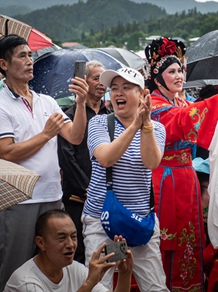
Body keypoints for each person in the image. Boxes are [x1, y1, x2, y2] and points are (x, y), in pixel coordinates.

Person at [144, 37, 218, 291]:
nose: (178, 75)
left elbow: (211, 117)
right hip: (164, 179)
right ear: (156, 78)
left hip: (186, 178)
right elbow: (182, 121)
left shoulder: (182, 103)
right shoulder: (154, 105)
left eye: (180, 70)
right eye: (171, 72)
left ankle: (189, 285)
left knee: (191, 237)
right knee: (168, 240)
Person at [0, 34, 88, 292]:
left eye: (30, 55)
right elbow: (5, 152)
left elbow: (75, 137)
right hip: (20, 198)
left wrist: (81, 102)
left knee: (55, 264)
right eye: (22, 55)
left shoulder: (46, 101)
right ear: (4, 64)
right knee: (14, 268)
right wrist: (45, 134)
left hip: (53, 194)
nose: (30, 60)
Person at [82, 67, 168, 291]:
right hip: (103, 221)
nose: (118, 93)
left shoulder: (156, 128)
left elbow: (151, 162)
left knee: (155, 287)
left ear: (142, 95)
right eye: (114, 88)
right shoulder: (99, 123)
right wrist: (134, 127)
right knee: (99, 286)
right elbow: (106, 158)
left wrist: (145, 124)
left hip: (140, 222)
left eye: (126, 88)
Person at [5, 210, 133, 292]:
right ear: (41, 243)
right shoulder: (26, 282)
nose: (70, 244)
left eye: (73, 236)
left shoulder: (75, 269)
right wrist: (89, 283)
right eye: (61, 238)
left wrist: (125, 274)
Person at [58, 60, 109, 264]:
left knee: (106, 249)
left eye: (104, 79)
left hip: (105, 196)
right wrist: (86, 188)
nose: (102, 83)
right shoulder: (70, 116)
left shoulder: (110, 117)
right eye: (96, 78)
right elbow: (66, 157)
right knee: (79, 250)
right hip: (77, 197)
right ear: (84, 81)